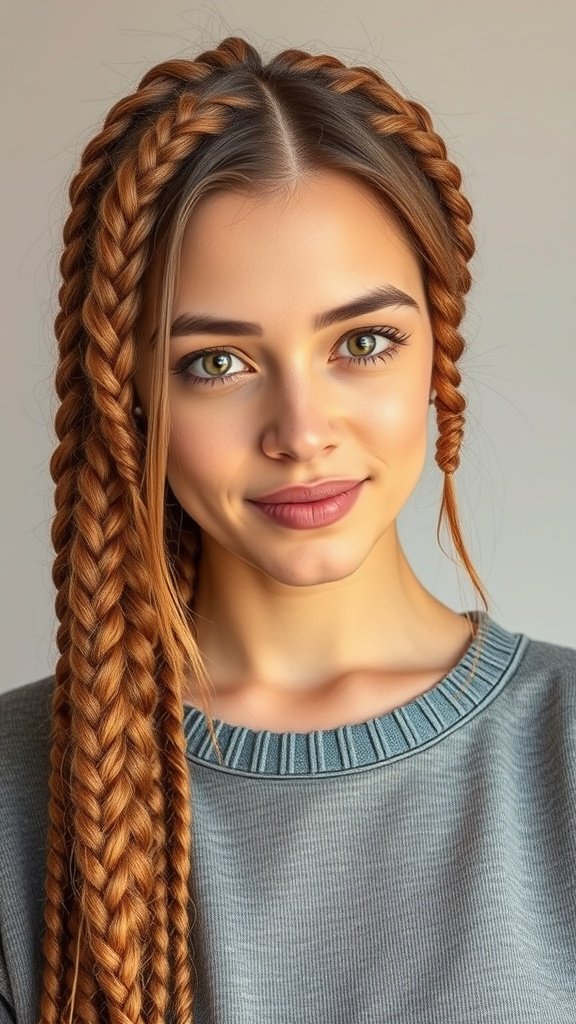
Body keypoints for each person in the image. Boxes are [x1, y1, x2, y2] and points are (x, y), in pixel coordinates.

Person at [0, 34, 574, 1024]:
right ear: (128, 391)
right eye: (216, 362)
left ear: (437, 349)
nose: (301, 433)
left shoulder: (560, 748)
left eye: (362, 343)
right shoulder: (19, 793)